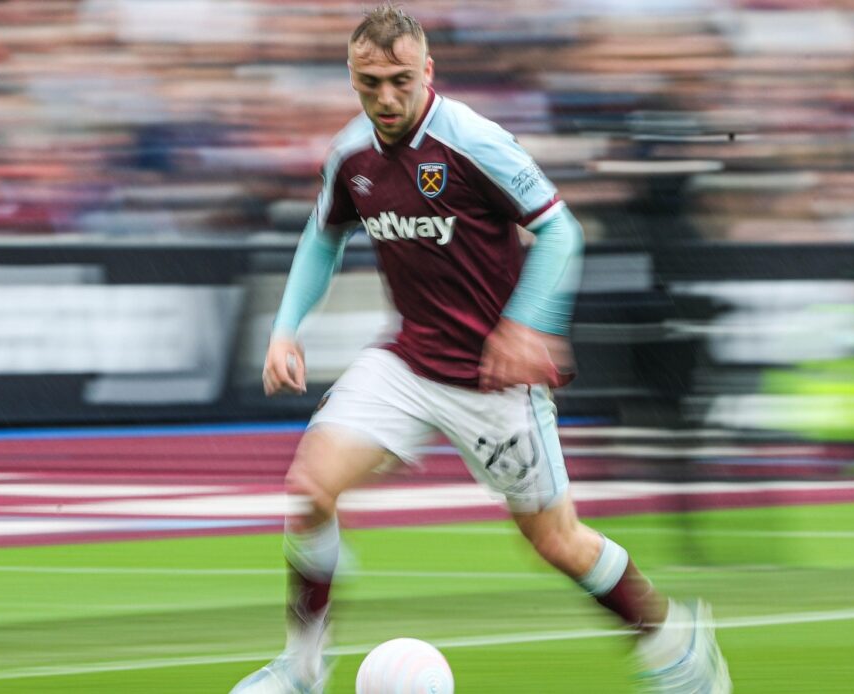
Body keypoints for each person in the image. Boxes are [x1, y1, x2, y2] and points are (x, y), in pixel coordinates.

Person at [230, 5, 731, 693]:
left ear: (428, 71)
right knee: (309, 491)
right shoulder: (352, 154)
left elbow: (562, 232)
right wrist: (286, 328)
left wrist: (526, 323)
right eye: (368, 82)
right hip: (407, 361)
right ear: (351, 76)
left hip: (496, 382)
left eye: (400, 80)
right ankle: (301, 669)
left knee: (556, 540)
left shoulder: (474, 141)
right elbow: (324, 236)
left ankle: (672, 643)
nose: (384, 97)